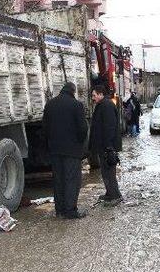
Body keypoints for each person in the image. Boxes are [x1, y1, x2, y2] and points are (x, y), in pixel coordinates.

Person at [43, 82, 88, 219]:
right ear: (73, 91)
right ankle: (70, 211)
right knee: (71, 180)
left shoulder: (50, 104)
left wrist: (50, 144)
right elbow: (83, 129)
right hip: (72, 150)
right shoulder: (76, 105)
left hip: (55, 150)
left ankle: (60, 210)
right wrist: (80, 143)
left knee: (58, 180)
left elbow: (45, 128)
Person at [89, 85, 123, 207]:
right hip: (104, 146)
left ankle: (115, 196)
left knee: (109, 172)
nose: (93, 98)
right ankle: (110, 193)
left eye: (94, 95)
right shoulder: (103, 105)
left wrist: (108, 147)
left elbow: (109, 127)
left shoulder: (106, 106)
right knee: (105, 171)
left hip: (107, 147)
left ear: (100, 94)